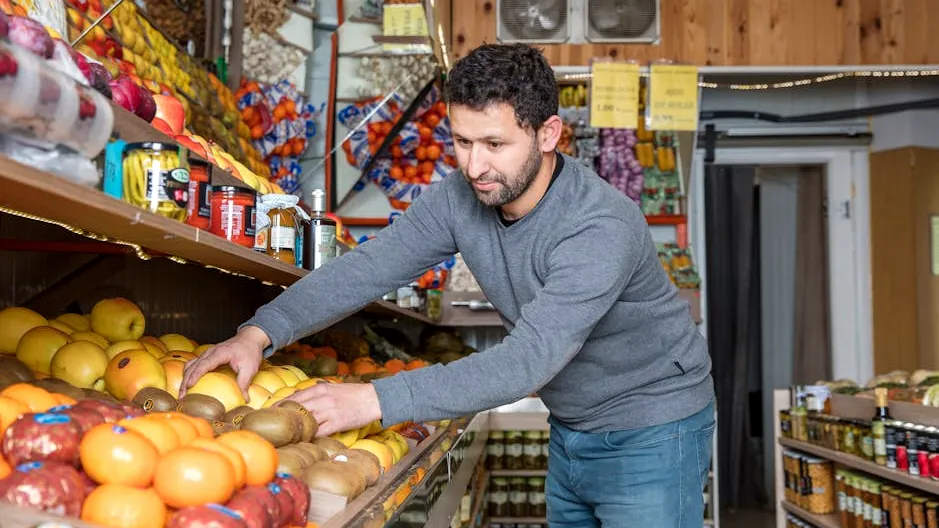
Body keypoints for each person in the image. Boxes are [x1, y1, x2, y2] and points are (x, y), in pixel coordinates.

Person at [180, 43, 715, 527]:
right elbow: (367, 267)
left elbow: (526, 362)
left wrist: (377, 398)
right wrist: (260, 332)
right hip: (572, 425)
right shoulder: (461, 196)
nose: (475, 165)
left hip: (654, 428)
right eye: (461, 141)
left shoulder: (599, 226)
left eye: (494, 144)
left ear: (548, 134)